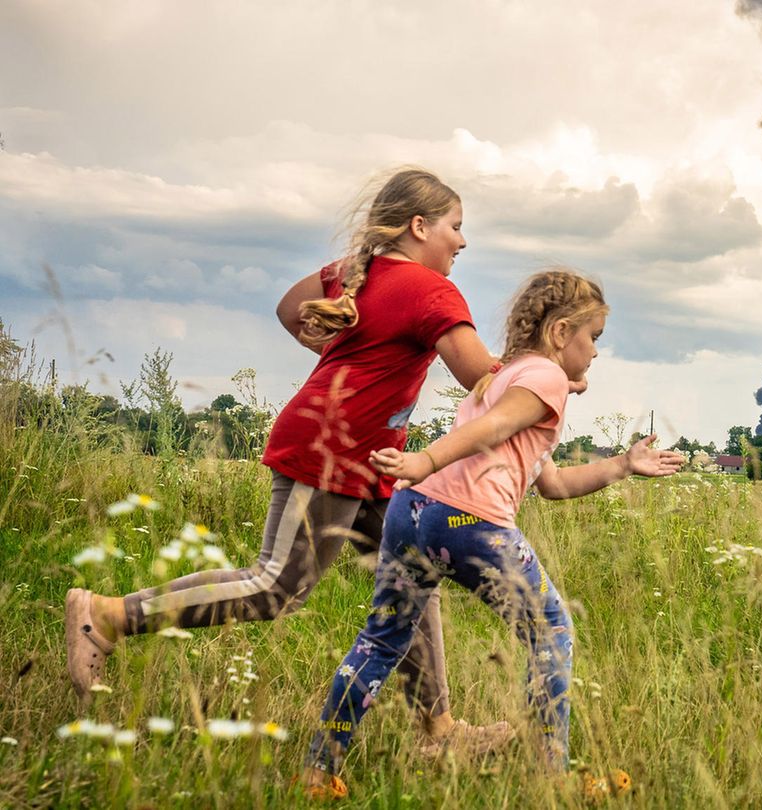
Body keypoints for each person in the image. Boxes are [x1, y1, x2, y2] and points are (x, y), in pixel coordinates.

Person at [65, 167, 511, 752]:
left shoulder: (359, 272)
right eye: (455, 226)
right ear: (420, 226)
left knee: (412, 578)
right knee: (276, 586)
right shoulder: (431, 289)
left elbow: (289, 307)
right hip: (328, 450)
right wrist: (547, 374)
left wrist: (339, 351)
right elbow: (481, 377)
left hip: (372, 461)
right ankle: (109, 615)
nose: (462, 241)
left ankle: (439, 730)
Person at [299, 268, 683, 799]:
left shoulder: (507, 377)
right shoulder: (543, 380)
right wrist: (426, 458)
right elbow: (495, 427)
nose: (596, 352)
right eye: (593, 337)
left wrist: (623, 464)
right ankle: (551, 778)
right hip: (468, 520)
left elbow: (553, 484)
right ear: (560, 332)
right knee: (551, 632)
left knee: (382, 639)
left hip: (412, 510)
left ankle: (318, 772)